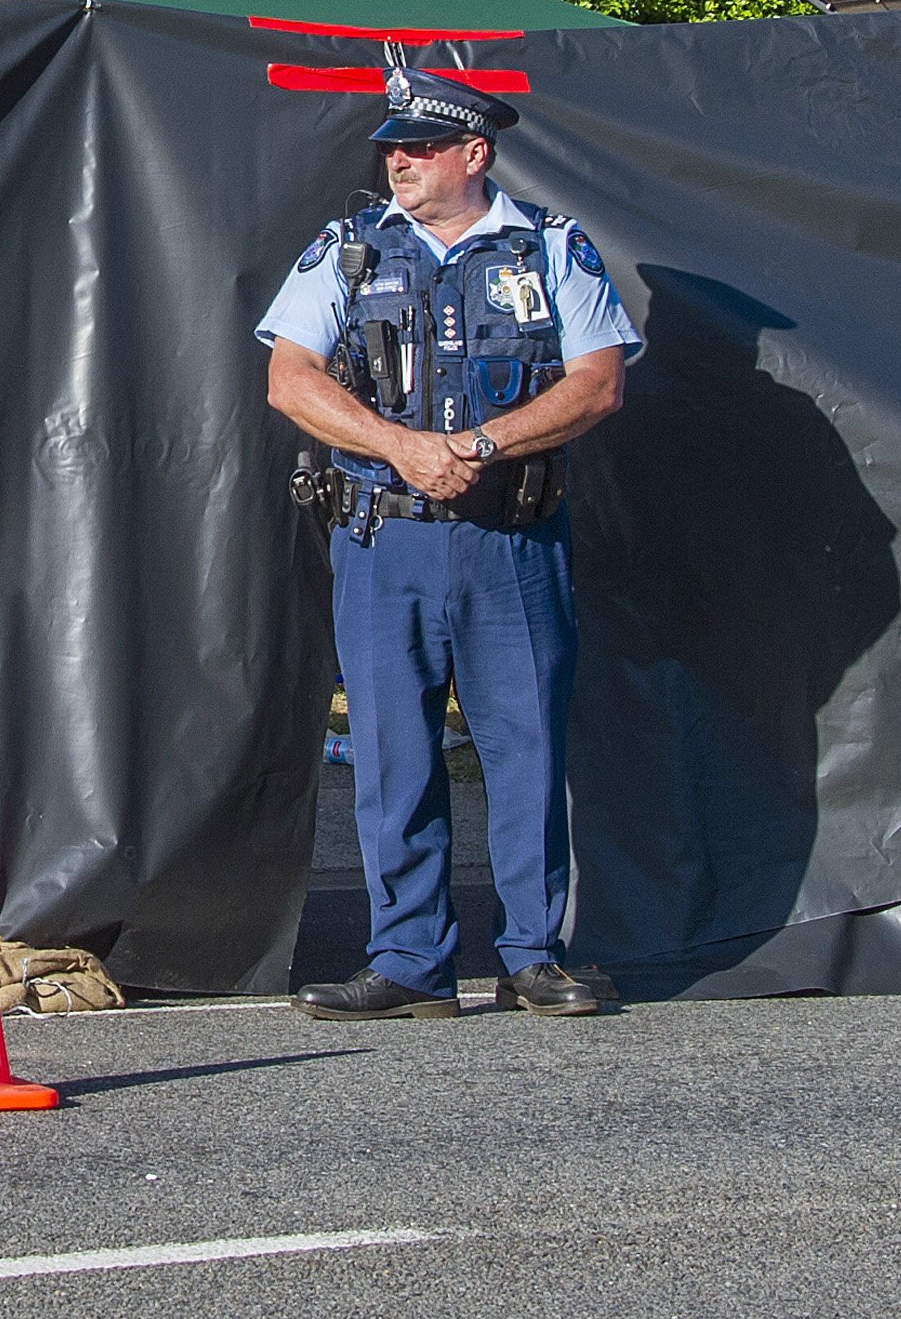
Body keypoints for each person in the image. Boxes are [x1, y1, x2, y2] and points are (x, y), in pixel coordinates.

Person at [256, 69, 638, 1018]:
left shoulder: (550, 247)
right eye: (391, 149)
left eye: (419, 149)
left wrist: (476, 445)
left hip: (511, 539)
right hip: (388, 539)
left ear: (475, 154)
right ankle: (408, 964)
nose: (399, 164)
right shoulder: (348, 248)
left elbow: (597, 383)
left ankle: (532, 955)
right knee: (391, 755)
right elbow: (289, 380)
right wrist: (403, 450)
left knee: (527, 747)